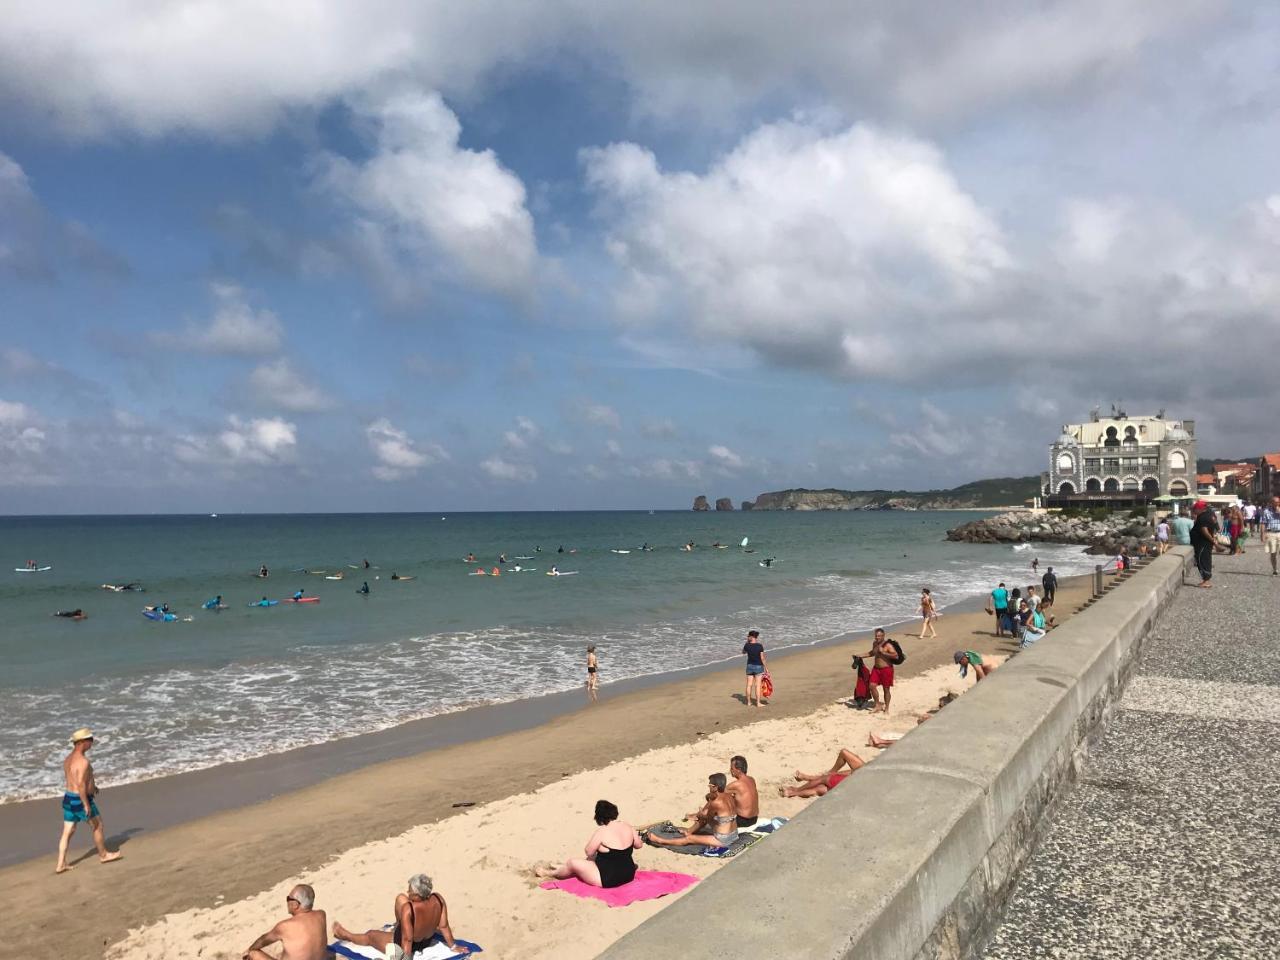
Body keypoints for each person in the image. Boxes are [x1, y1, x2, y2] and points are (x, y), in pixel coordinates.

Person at [333, 874, 468, 957]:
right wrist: (453, 946)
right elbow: (444, 926)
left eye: (409, 890)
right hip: (426, 939)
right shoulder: (438, 899)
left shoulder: (409, 908)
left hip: (408, 944)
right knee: (400, 898)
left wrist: (405, 958)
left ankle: (346, 935)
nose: (407, 892)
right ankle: (398, 925)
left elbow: (407, 940)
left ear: (416, 894)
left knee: (371, 936)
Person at [55, 728, 122, 874]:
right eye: (90, 740)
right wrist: (86, 804)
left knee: (67, 832)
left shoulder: (68, 759)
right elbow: (80, 784)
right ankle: (103, 855)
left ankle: (61, 864)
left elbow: (74, 779)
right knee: (98, 826)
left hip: (68, 798)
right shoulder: (83, 761)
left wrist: (93, 786)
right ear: (82, 742)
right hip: (80, 799)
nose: (91, 743)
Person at [536, 800, 641, 885]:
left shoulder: (601, 832)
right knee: (602, 856)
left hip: (609, 879)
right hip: (628, 874)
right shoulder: (628, 826)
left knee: (572, 863)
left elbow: (589, 852)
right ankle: (561, 867)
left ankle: (549, 873)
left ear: (599, 818)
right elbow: (638, 845)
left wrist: (600, 847)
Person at [648, 775, 739, 848]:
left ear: (715, 787)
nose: (709, 787)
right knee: (702, 818)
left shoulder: (716, 802)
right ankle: (689, 830)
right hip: (734, 834)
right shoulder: (729, 796)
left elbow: (708, 819)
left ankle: (660, 840)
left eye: (710, 786)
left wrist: (700, 814)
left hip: (723, 839)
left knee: (689, 839)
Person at [243, 884, 328, 960]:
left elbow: (263, 941)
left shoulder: (285, 926)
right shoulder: (321, 915)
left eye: (288, 898)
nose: (287, 901)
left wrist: (250, 948)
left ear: (295, 904)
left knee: (253, 953)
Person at [867, 693, 957, 748]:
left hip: (934, 742)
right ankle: (880, 742)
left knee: (909, 740)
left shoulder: (947, 719)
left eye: (940, 706)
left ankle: (880, 742)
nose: (938, 708)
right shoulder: (951, 717)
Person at [780, 750, 865, 798]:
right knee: (820, 789)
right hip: (856, 788)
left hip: (854, 783)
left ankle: (796, 790)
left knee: (825, 779)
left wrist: (831, 773)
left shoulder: (863, 769)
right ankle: (791, 793)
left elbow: (844, 753)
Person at [861, 628, 903, 713]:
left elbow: (895, 655)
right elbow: (872, 653)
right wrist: (860, 656)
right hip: (876, 669)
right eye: (876, 636)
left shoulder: (888, 645)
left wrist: (883, 652)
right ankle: (877, 705)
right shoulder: (875, 643)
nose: (877, 637)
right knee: (872, 686)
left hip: (886, 669)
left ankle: (887, 708)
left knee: (886, 689)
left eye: (879, 636)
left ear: (883, 636)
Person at [726, 755, 759, 829]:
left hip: (742, 820)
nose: (730, 770)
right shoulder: (752, 780)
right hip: (754, 819)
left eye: (732, 768)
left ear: (738, 770)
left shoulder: (736, 785)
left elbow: (718, 795)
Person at [1191, 500, 1218, 587]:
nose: (1193, 510)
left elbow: (1204, 530)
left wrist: (1213, 541)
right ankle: (1206, 580)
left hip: (1202, 543)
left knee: (1202, 560)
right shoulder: (1209, 515)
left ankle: (1206, 581)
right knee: (1206, 559)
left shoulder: (1203, 517)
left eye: (1195, 509)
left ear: (1200, 509)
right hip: (1204, 542)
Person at [742, 630, 767, 707]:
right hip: (758, 666)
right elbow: (762, 658)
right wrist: (766, 668)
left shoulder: (747, 645)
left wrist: (747, 642)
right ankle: (758, 703)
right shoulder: (759, 646)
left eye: (748, 636)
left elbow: (743, 652)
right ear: (756, 637)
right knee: (758, 685)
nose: (748, 637)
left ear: (751, 637)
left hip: (749, 666)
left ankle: (749, 702)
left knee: (749, 685)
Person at [1261, 496, 1280, 576]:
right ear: (1271, 503)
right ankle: (1275, 569)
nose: (1277, 504)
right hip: (1271, 533)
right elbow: (1263, 523)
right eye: (1275, 502)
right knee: (1273, 553)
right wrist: (1262, 534)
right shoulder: (1266, 511)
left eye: (1278, 502)